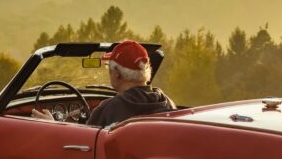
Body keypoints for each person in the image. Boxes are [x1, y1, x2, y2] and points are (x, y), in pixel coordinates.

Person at [31, 40, 176, 127]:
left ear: (117, 73)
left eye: (109, 67)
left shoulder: (110, 109)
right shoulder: (166, 103)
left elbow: (82, 144)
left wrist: (52, 125)